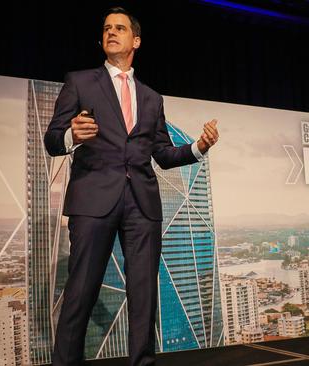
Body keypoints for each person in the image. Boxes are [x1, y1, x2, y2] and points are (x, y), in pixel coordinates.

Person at [43, 7, 219, 365]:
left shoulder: (152, 97)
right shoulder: (80, 82)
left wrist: (199, 147)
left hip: (142, 204)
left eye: (119, 28)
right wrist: (70, 135)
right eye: (106, 28)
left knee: (143, 294)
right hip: (93, 200)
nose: (111, 32)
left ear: (135, 40)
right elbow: (51, 140)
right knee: (80, 292)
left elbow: (163, 155)